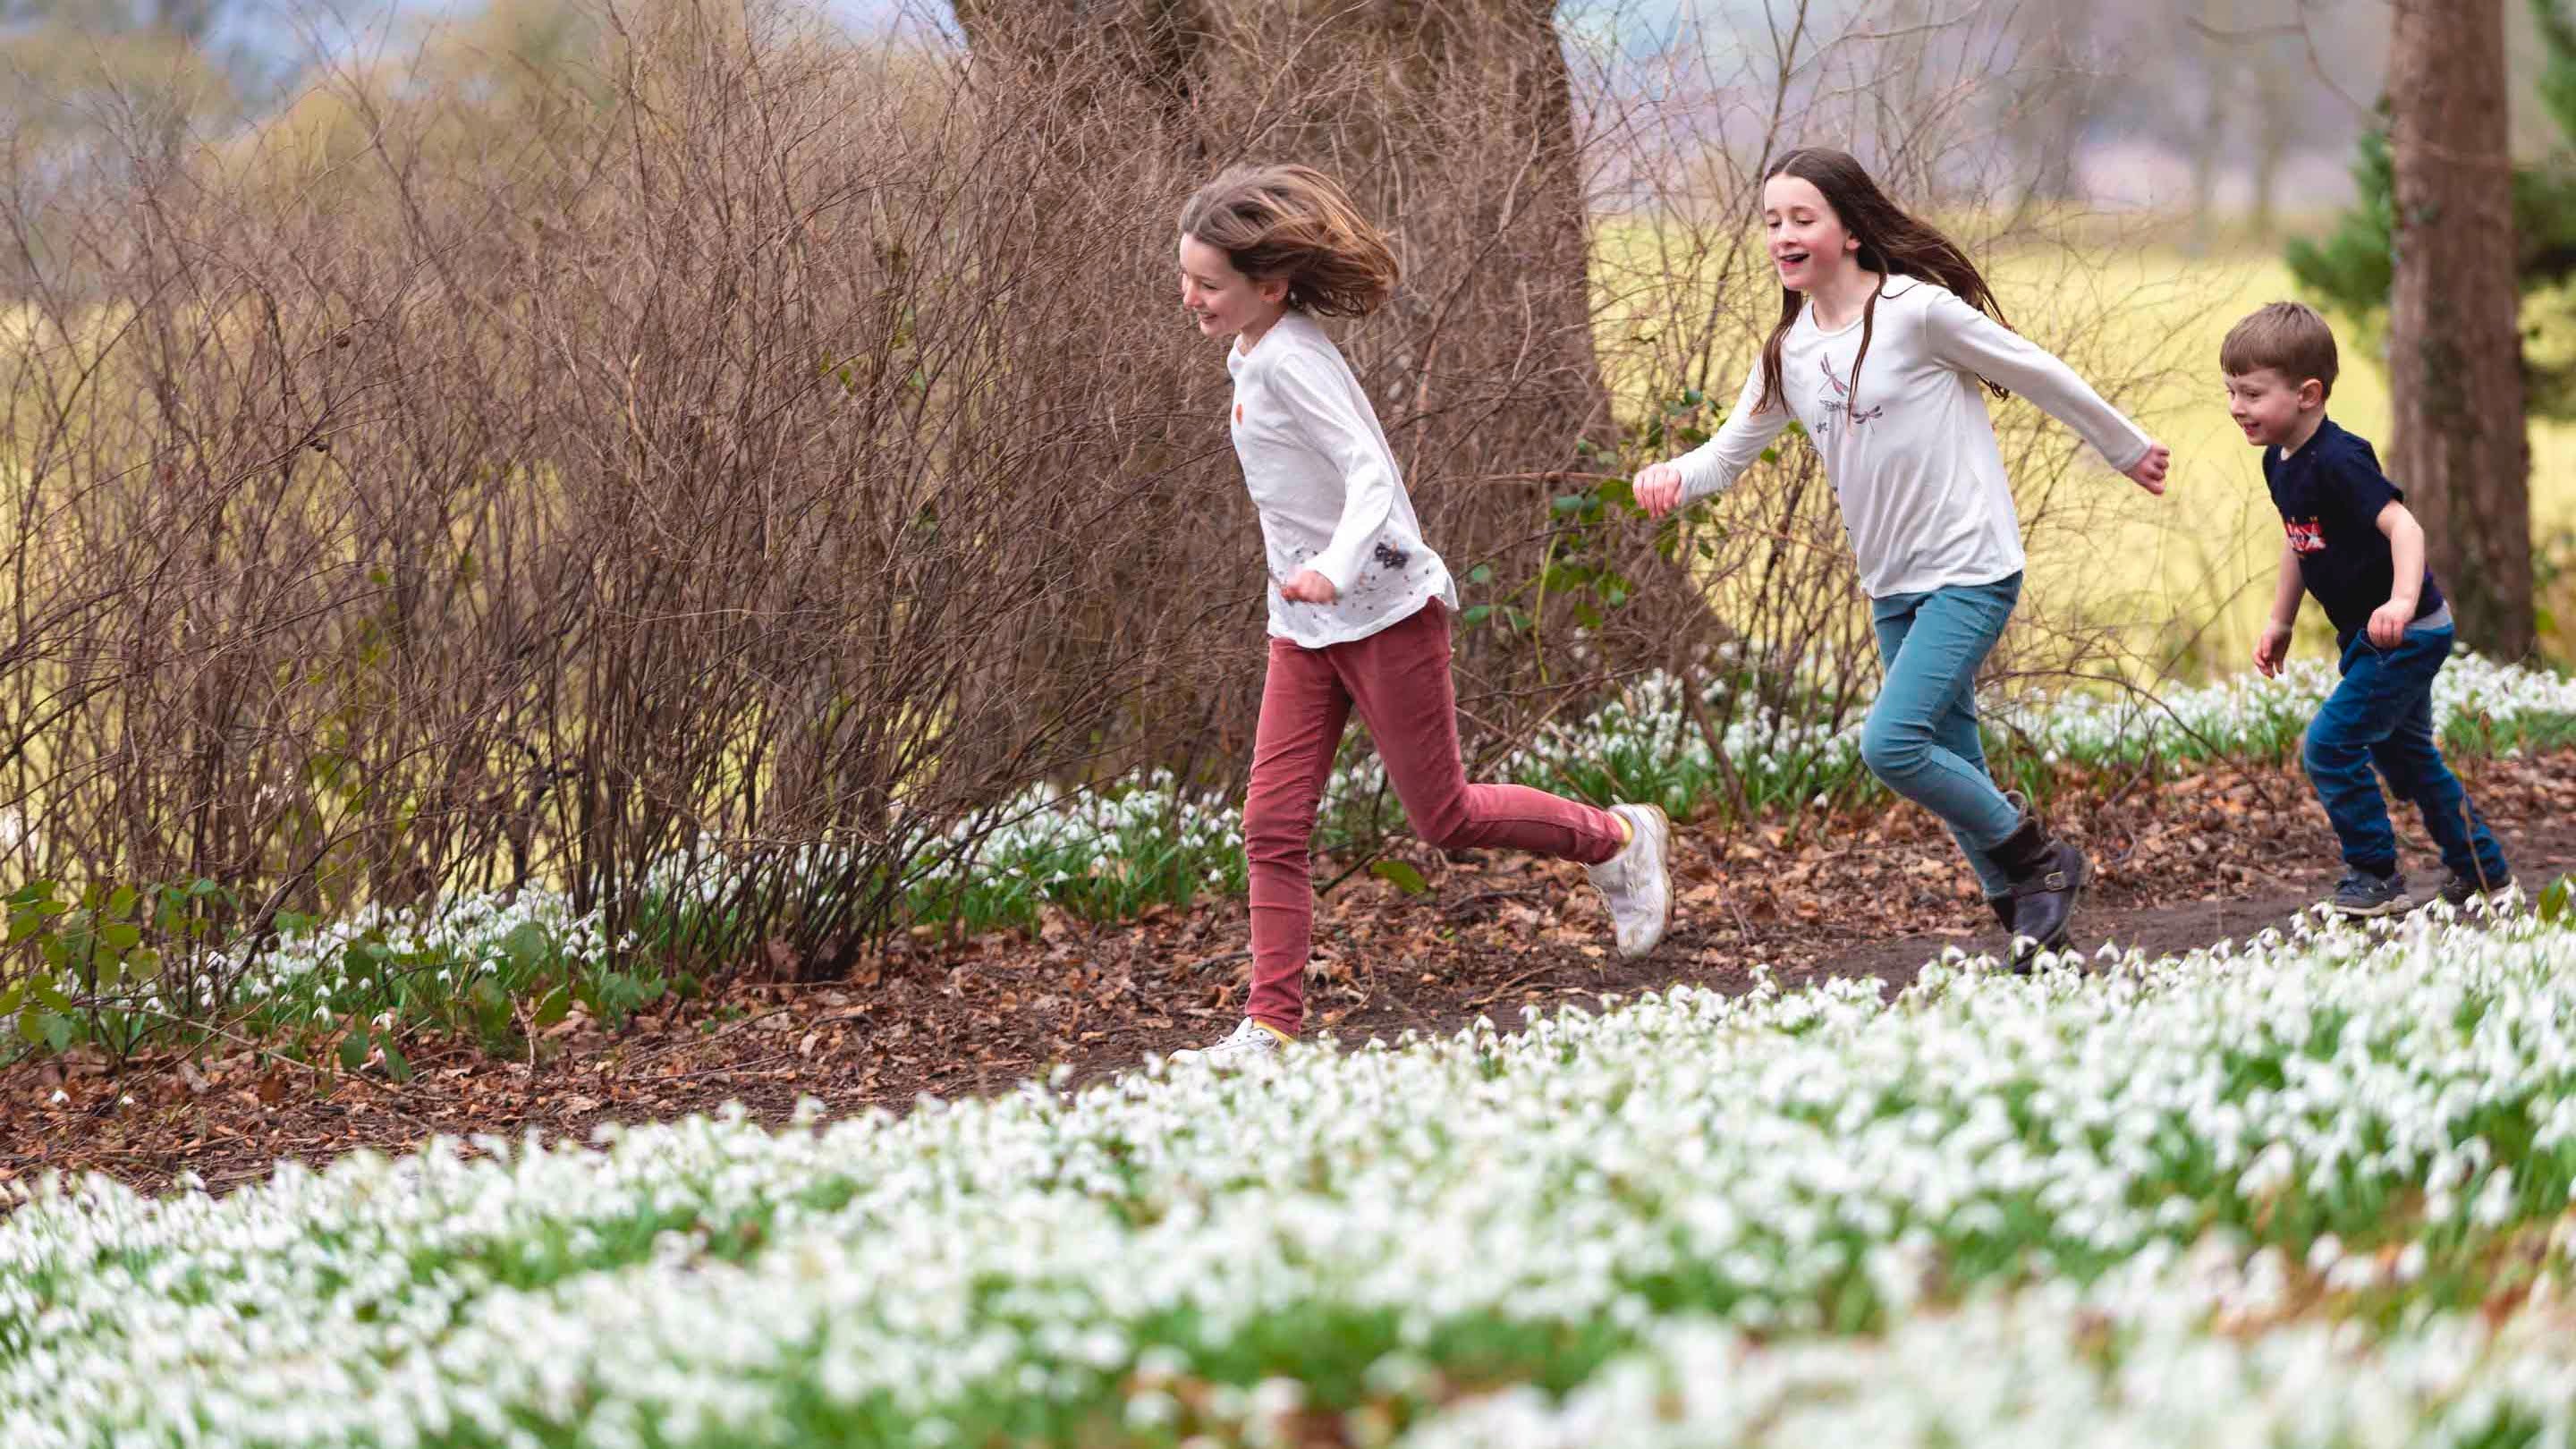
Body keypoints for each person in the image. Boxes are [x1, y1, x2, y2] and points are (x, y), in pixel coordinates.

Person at [1166, 164, 1673, 1068]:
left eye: (1209, 283)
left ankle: (1619, 841)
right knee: (1272, 825)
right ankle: (1272, 1024)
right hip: (1306, 626)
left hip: (1386, 611)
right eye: (1188, 277)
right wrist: (1305, 581)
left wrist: (1335, 562)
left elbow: (1369, 470)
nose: (1191, 298)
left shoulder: (1292, 359)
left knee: (1442, 816)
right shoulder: (1252, 349)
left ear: (1268, 283)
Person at [1634, 147, 2171, 968]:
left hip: (1970, 564)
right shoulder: (1790, 352)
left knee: (1893, 745)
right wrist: (1674, 473)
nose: (1783, 235)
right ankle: (2034, 930)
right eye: (1772, 221)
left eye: (1801, 219)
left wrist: (2123, 446)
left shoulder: (1918, 312)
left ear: (1849, 229)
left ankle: (2040, 862)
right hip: (1891, 583)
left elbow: (2034, 371)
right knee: (1954, 761)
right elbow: (1726, 454)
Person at [2224, 301, 2513, 916]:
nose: (2236, 408)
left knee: (2328, 746)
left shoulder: (2340, 459)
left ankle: (2375, 874)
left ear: (2308, 393)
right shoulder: (2280, 461)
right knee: (2409, 762)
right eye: (2231, 392)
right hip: (2370, 637)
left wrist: (2401, 602)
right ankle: (2484, 871)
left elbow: (2404, 528)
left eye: (2251, 393)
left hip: (2407, 633)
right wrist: (2280, 620)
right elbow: (2300, 538)